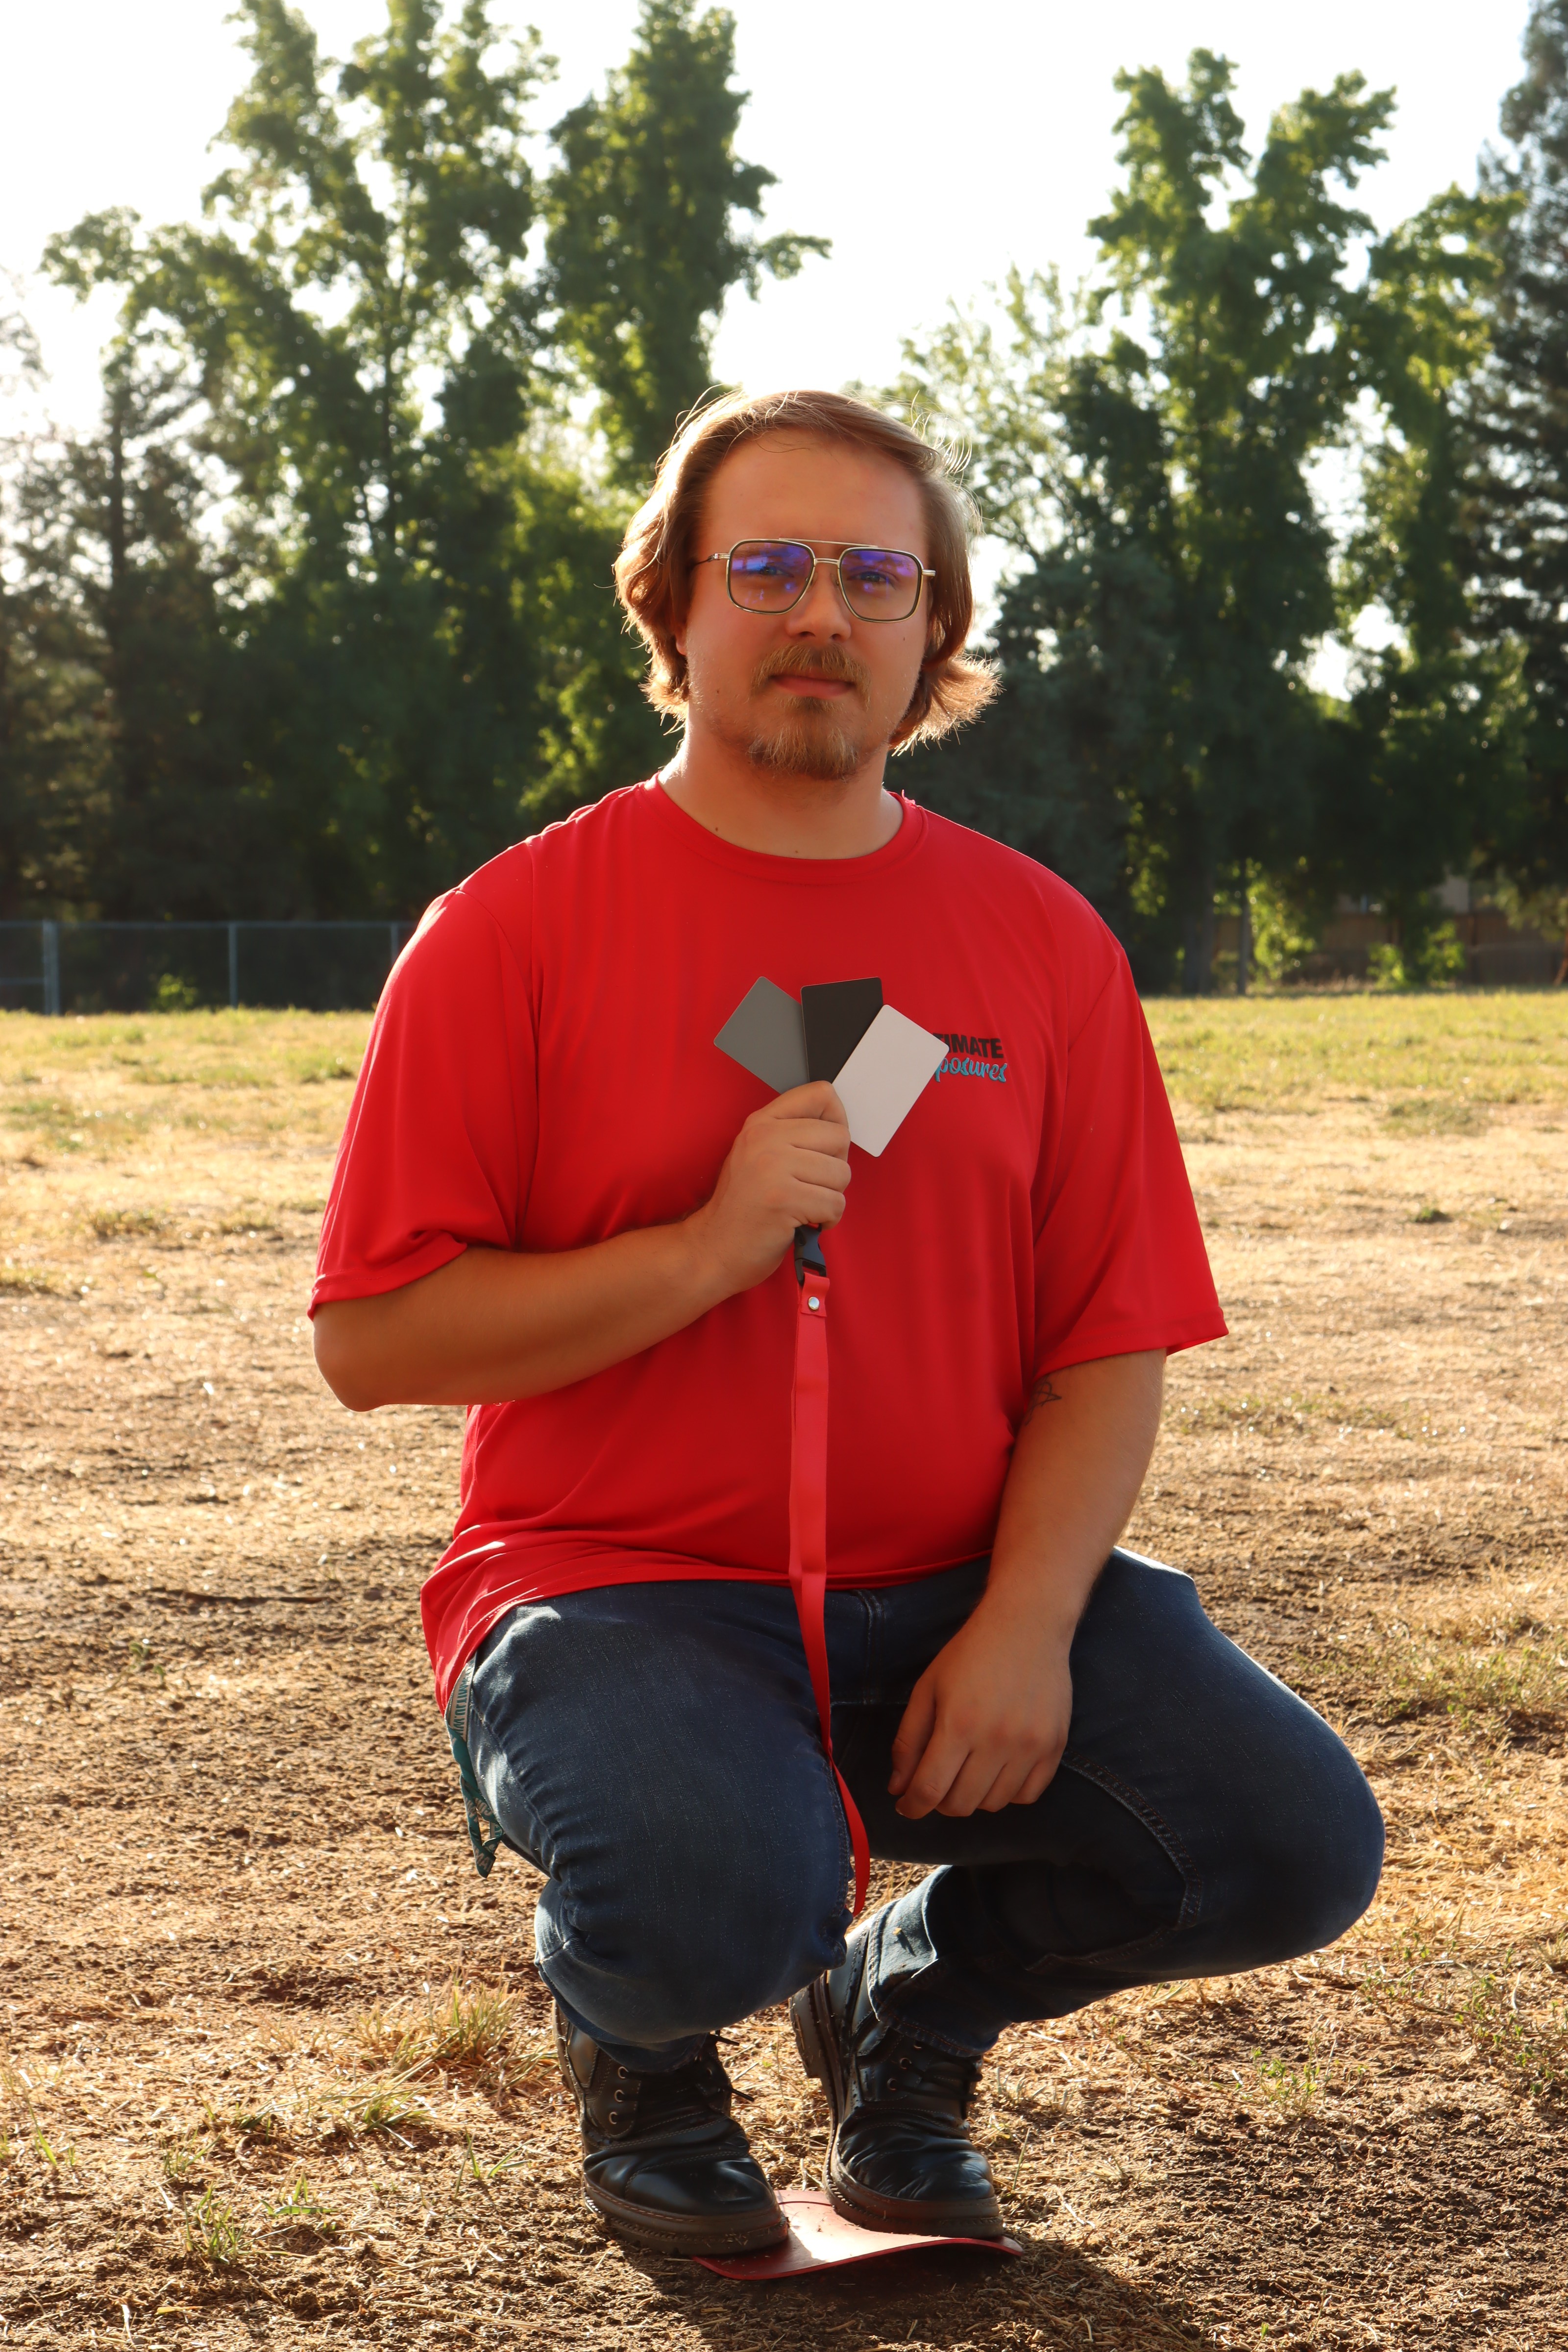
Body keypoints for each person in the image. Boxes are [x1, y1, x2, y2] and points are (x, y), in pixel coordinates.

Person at [310, 389, 1384, 2259]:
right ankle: (645, 2045)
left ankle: (910, 2006)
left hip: (957, 1589)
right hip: (622, 1592)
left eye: (879, 574)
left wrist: (1027, 1623)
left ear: (934, 626)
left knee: (1289, 1842)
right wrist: (707, 1248)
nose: (824, 612)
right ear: (672, 603)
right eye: (769, 567)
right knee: (726, 1883)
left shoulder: (1041, 942)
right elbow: (375, 1340)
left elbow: (1107, 1341)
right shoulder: (510, 930)